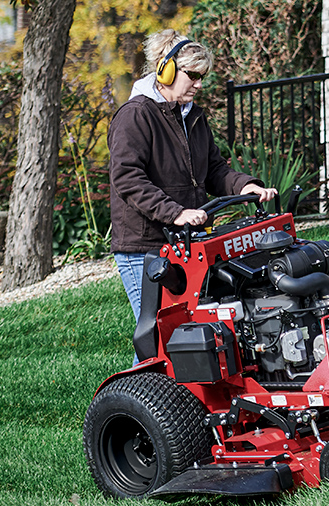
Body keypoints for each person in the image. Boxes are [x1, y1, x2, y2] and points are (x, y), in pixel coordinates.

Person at [108, 30, 277, 326]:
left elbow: (213, 170)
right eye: (193, 75)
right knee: (160, 336)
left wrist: (246, 186)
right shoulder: (135, 115)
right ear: (166, 68)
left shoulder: (193, 117)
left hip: (186, 242)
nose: (199, 84)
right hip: (145, 247)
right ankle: (144, 377)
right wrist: (176, 213)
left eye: (203, 76)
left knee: (194, 334)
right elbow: (127, 178)